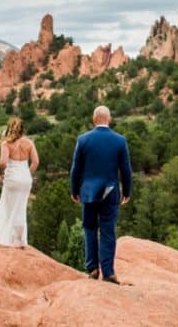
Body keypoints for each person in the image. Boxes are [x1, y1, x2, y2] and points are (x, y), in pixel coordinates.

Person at [70, 105, 132, 283]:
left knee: (89, 229)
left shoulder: (83, 140)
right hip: (110, 192)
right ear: (109, 119)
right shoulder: (119, 140)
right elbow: (125, 170)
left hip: (88, 193)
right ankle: (109, 272)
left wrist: (74, 190)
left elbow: (76, 169)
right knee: (108, 231)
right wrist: (127, 191)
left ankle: (93, 268)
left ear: (94, 118)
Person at [0, 116, 39, 247]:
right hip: (25, 179)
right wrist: (27, 174)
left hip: (12, 178)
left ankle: (7, 237)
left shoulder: (6, 144)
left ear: (9, 128)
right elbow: (36, 162)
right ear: (22, 128)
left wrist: (0, 174)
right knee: (21, 208)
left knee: (9, 206)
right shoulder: (29, 142)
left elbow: (3, 162)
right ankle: (20, 239)